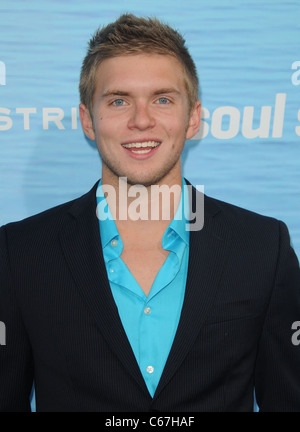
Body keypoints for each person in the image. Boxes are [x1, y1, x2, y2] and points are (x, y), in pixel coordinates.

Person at [0, 13, 300, 413]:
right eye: (119, 100)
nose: (141, 120)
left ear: (192, 117)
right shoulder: (20, 253)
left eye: (162, 99)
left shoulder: (263, 247)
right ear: (88, 120)